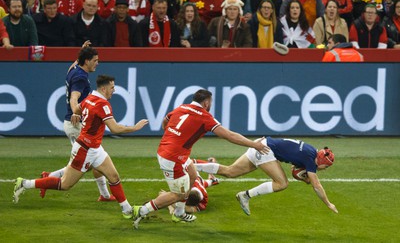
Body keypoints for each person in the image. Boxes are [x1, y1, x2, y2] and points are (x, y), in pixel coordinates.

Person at [13, 75, 149, 220]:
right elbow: (114, 129)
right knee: (65, 184)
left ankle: (127, 209)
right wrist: (135, 128)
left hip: (95, 148)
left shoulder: (89, 98)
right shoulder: (102, 104)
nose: (114, 90)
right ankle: (25, 183)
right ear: (104, 88)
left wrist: (75, 115)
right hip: (85, 149)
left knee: (113, 176)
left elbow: (77, 108)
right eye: (112, 87)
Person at [131, 89, 269, 229]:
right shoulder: (205, 117)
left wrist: (171, 137)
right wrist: (254, 144)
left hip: (174, 153)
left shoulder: (182, 107)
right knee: (178, 195)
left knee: (192, 175)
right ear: (206, 102)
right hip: (173, 158)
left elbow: (165, 121)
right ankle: (140, 210)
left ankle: (179, 213)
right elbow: (229, 135)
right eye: (211, 103)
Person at [40, 42, 115, 201]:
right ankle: (48, 179)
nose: (97, 63)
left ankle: (104, 195)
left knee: (91, 161)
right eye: (95, 60)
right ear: (86, 61)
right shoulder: (81, 78)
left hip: (76, 124)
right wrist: (77, 112)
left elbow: (75, 63)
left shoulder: (74, 69)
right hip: (76, 125)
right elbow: (74, 97)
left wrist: (82, 50)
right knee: (89, 161)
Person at [195, 137, 338, 215]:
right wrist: (328, 204)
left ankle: (191, 165)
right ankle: (245, 195)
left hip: (262, 144)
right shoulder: (311, 161)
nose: (324, 169)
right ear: (322, 161)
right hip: (265, 150)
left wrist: (303, 178)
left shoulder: (311, 152)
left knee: (230, 172)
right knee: (282, 183)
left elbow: (294, 170)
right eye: (326, 166)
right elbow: (316, 186)